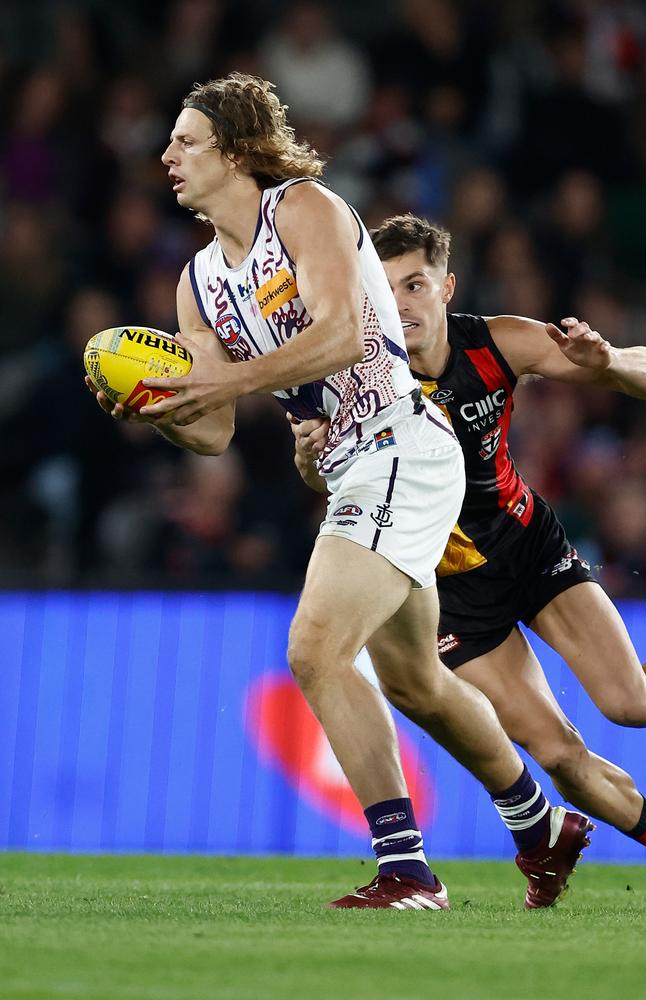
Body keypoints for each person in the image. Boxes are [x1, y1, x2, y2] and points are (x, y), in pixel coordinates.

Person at [87, 74, 591, 910]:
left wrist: (229, 384)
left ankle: (407, 870)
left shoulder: (304, 211)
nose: (167, 155)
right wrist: (158, 412)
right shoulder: (198, 283)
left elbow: (341, 334)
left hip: (403, 443)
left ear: (238, 150)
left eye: (186, 141)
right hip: (354, 470)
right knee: (417, 685)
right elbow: (211, 430)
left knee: (315, 651)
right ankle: (540, 827)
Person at [291, 213, 646, 859]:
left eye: (416, 285)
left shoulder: (497, 342)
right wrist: (311, 457)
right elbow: (326, 481)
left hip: (527, 546)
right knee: (558, 756)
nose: (400, 305)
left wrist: (613, 364)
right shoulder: (348, 376)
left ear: (447, 287)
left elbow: (635, 369)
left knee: (630, 704)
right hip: (451, 592)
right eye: (386, 287)